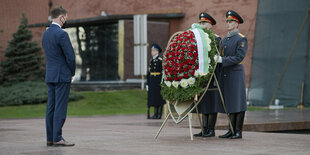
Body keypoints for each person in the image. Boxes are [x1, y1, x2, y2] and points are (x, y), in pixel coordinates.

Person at [42, 6, 76, 146]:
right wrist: (72, 72)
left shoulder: (46, 34)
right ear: (61, 17)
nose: (65, 21)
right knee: (60, 108)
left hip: (50, 75)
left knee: (51, 107)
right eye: (65, 18)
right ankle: (57, 138)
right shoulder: (62, 34)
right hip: (62, 75)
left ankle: (50, 138)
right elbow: (71, 58)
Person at [215, 10, 248, 139]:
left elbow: (239, 57)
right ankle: (231, 129)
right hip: (226, 74)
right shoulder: (225, 39)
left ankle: (238, 131)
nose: (228, 24)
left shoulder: (241, 38)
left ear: (237, 23)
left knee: (238, 102)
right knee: (229, 101)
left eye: (231, 21)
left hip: (235, 73)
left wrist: (223, 60)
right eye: (227, 21)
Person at [193, 12, 221, 137]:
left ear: (210, 24)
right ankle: (204, 128)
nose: (202, 25)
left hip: (212, 75)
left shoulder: (216, 39)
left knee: (212, 101)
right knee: (203, 101)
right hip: (201, 75)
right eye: (200, 23)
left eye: (204, 23)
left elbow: (217, 57)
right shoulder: (199, 39)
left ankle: (211, 128)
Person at [146, 43, 165, 119]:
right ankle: (155, 113)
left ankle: (159, 114)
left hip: (158, 81)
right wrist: (147, 83)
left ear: (157, 52)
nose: (152, 52)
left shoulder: (160, 61)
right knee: (153, 98)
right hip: (152, 81)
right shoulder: (151, 61)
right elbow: (149, 73)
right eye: (151, 50)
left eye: (153, 50)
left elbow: (162, 72)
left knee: (158, 98)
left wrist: (162, 82)